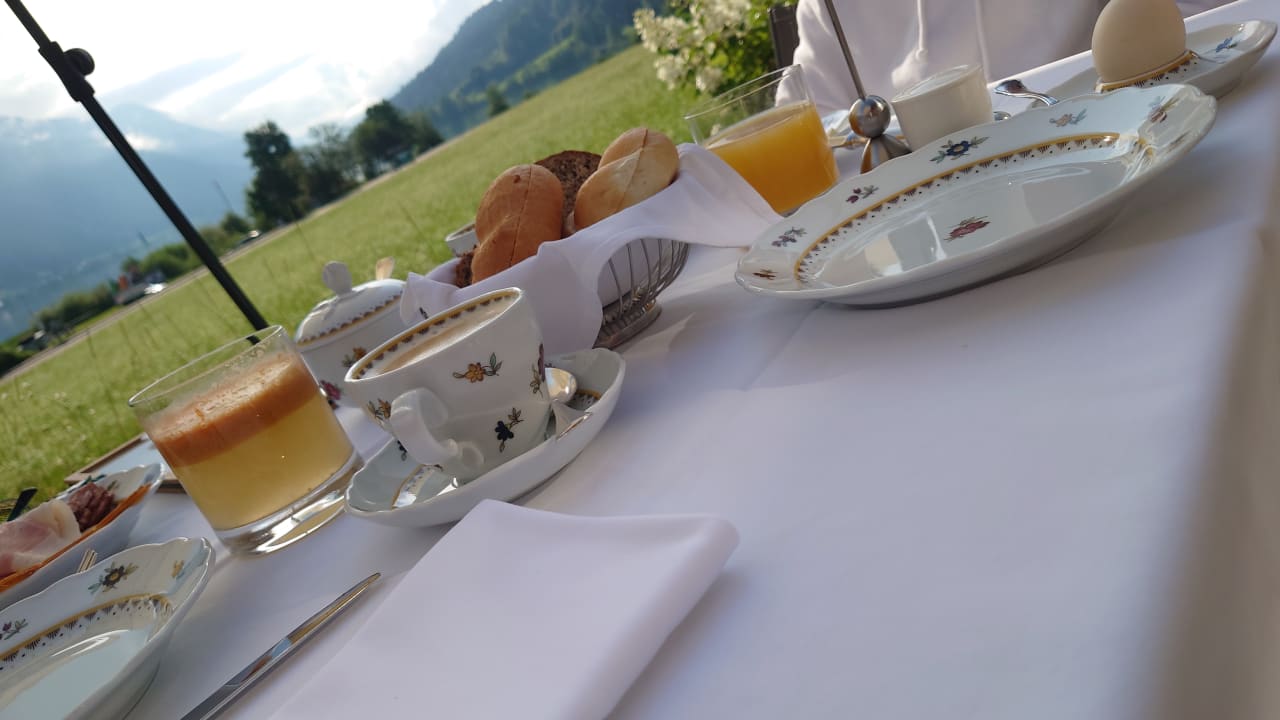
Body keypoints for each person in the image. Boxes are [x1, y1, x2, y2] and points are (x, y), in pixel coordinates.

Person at [791, 0, 1229, 117]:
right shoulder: (826, 8)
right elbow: (819, 127)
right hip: (932, 235)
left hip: (1127, 142)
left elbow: (1210, 22)